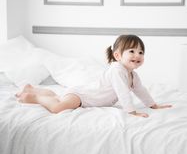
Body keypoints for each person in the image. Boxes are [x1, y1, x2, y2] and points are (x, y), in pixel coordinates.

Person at [16, 35, 172, 117]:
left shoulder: (133, 75)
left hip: (84, 96)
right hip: (82, 96)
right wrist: (132, 111)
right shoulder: (117, 70)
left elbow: (141, 90)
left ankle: (33, 89)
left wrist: (153, 105)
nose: (137, 55)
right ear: (117, 55)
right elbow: (122, 93)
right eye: (132, 51)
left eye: (141, 52)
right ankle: (34, 97)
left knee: (59, 97)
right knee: (57, 107)